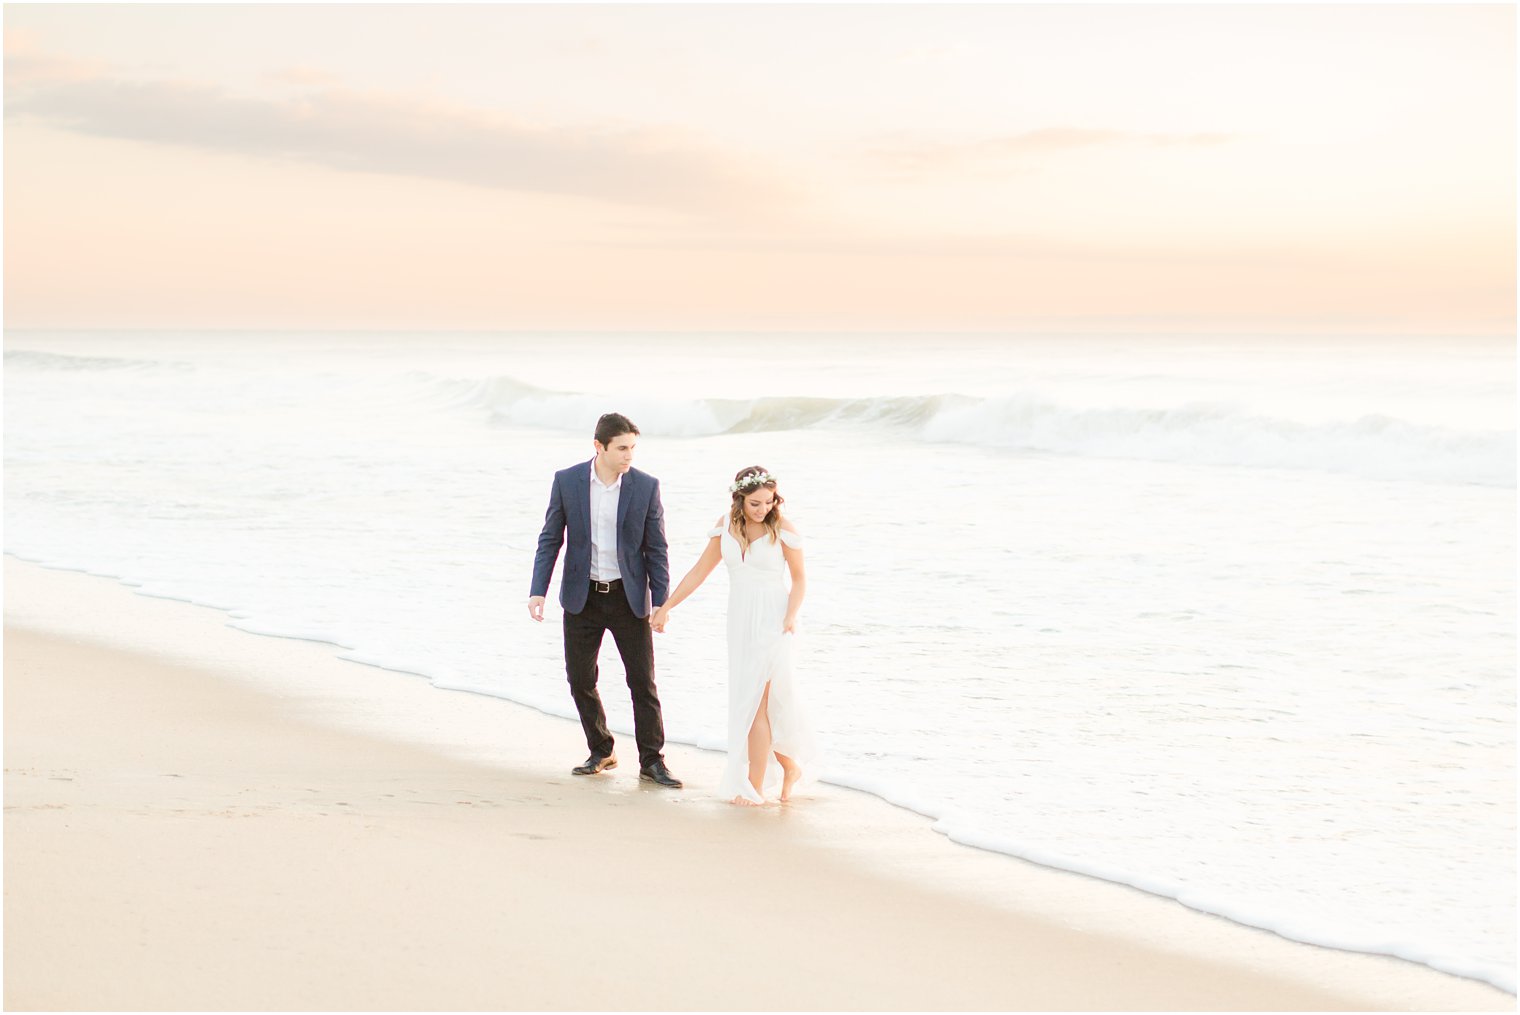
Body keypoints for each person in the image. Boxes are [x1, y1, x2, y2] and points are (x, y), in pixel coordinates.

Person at [528, 413, 682, 788]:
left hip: (628, 598)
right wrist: (538, 589)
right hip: (582, 598)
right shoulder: (567, 481)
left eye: (633, 448)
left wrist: (662, 603)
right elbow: (551, 537)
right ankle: (601, 749)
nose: (629, 455)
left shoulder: (645, 486)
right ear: (599, 446)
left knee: (642, 683)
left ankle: (652, 761)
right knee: (579, 678)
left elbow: (656, 549)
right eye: (622, 448)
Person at [651, 466, 819, 805]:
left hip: (773, 621)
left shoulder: (784, 529)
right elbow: (699, 572)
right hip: (740, 622)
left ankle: (753, 787)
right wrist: (667, 606)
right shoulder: (725, 528)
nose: (763, 510)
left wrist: (790, 616)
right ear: (738, 498)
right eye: (755, 503)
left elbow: (800, 579)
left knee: (759, 705)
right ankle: (788, 766)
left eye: (769, 503)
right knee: (750, 702)